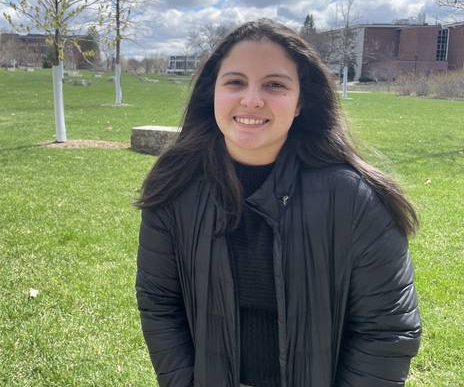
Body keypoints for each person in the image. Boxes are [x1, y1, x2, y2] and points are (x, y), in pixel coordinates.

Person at [135, 19, 421, 387]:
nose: (252, 99)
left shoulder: (355, 200)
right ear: (213, 94)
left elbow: (388, 330)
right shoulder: (173, 189)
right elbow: (159, 304)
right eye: (236, 82)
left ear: (301, 101)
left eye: (274, 85)